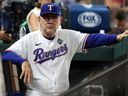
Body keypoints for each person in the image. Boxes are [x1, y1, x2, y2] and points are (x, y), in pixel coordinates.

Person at [2, 3, 128, 96]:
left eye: (53, 17)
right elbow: (7, 54)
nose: (50, 21)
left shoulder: (68, 36)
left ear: (60, 20)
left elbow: (92, 39)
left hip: (63, 93)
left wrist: (116, 37)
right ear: (40, 20)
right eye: (46, 17)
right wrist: (23, 61)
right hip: (37, 93)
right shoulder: (29, 39)